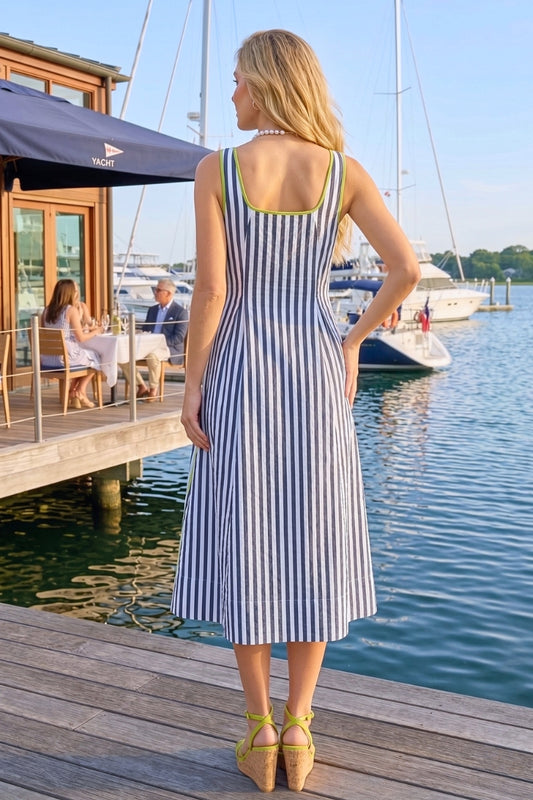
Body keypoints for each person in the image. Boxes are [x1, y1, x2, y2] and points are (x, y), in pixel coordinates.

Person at [173, 29, 420, 793]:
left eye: (239, 80)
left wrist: (191, 384)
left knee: (245, 532)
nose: (233, 94)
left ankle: (258, 729)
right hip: (315, 364)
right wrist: (352, 340)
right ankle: (301, 728)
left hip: (241, 364)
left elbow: (212, 291)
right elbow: (405, 270)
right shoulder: (342, 171)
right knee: (313, 535)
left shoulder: (218, 168)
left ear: (266, 83)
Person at [119, 277, 188, 402]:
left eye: (158, 290)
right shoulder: (152, 310)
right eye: (155, 289)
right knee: (123, 356)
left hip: (169, 348)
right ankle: (141, 386)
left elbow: (179, 337)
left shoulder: (180, 312)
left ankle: (153, 389)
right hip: (148, 346)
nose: (155, 293)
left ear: (168, 293)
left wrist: (159, 343)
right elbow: (145, 329)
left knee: (152, 356)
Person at [41, 279, 104, 408]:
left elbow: (45, 334)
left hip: (47, 360)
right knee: (98, 357)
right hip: (64, 360)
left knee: (86, 357)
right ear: (70, 293)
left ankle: (74, 392)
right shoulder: (70, 310)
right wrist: (96, 331)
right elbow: (81, 338)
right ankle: (79, 390)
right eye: (75, 291)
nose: (76, 293)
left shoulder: (46, 311)